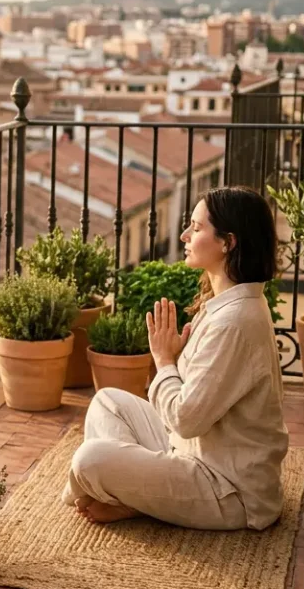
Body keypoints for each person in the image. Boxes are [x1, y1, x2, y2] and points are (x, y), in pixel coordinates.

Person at [61, 186, 289, 530]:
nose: (184, 234)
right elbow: (196, 402)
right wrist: (181, 360)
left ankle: (124, 494)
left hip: (227, 489)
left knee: (89, 459)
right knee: (108, 402)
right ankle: (137, 496)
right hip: (187, 452)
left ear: (228, 242)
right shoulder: (227, 304)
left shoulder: (234, 321)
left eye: (196, 228)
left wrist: (164, 359)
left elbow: (185, 418)